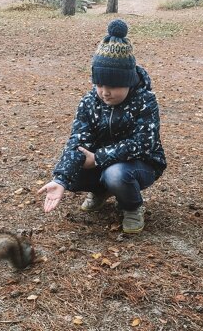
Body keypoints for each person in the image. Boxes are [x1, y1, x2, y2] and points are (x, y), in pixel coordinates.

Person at [38, 19, 166, 233]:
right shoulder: (89, 102)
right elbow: (78, 141)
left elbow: (143, 144)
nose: (105, 92)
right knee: (73, 170)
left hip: (140, 164)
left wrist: (98, 158)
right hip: (102, 161)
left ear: (129, 81)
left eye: (113, 86)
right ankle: (101, 191)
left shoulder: (145, 101)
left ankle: (132, 207)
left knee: (115, 174)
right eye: (99, 85)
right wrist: (61, 179)